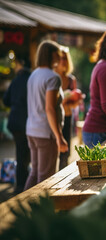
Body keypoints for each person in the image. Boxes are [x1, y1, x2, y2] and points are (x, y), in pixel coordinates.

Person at [24, 40, 68, 190]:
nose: (60, 57)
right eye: (57, 54)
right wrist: (59, 137)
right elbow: (49, 108)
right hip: (46, 133)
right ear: (51, 55)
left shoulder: (33, 75)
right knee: (46, 178)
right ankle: (40, 212)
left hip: (31, 130)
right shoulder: (53, 77)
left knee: (34, 173)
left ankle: (21, 210)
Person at [3, 55, 31, 193]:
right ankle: (24, 185)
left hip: (15, 122)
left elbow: (6, 101)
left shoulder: (15, 81)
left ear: (21, 63)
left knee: (21, 154)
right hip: (28, 122)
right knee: (27, 154)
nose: (14, 67)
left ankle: (21, 185)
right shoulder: (31, 79)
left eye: (16, 64)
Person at [54, 46, 82, 170]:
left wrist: (74, 101)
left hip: (67, 116)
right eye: (60, 58)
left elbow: (75, 104)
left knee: (66, 152)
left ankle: (61, 175)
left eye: (65, 58)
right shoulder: (51, 77)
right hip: (54, 117)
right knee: (53, 150)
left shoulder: (71, 79)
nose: (63, 60)